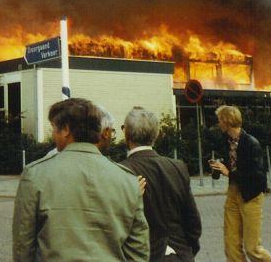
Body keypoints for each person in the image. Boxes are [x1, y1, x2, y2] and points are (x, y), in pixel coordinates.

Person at [12, 98, 149, 261]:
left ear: (66, 130)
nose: (53, 135)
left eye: (54, 129)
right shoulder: (128, 180)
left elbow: (23, 246)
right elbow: (138, 250)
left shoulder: (35, 175)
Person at [120, 107, 201, 261]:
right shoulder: (177, 167)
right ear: (155, 135)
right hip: (180, 255)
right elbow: (193, 223)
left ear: (127, 134)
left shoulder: (121, 171)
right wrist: (187, 251)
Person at [210, 105, 271, 262]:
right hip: (233, 193)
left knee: (252, 249)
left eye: (220, 120)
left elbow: (258, 178)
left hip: (251, 196)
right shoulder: (225, 140)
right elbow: (230, 165)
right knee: (231, 247)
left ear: (227, 122)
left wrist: (229, 173)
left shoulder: (251, 143)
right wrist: (218, 168)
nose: (218, 123)